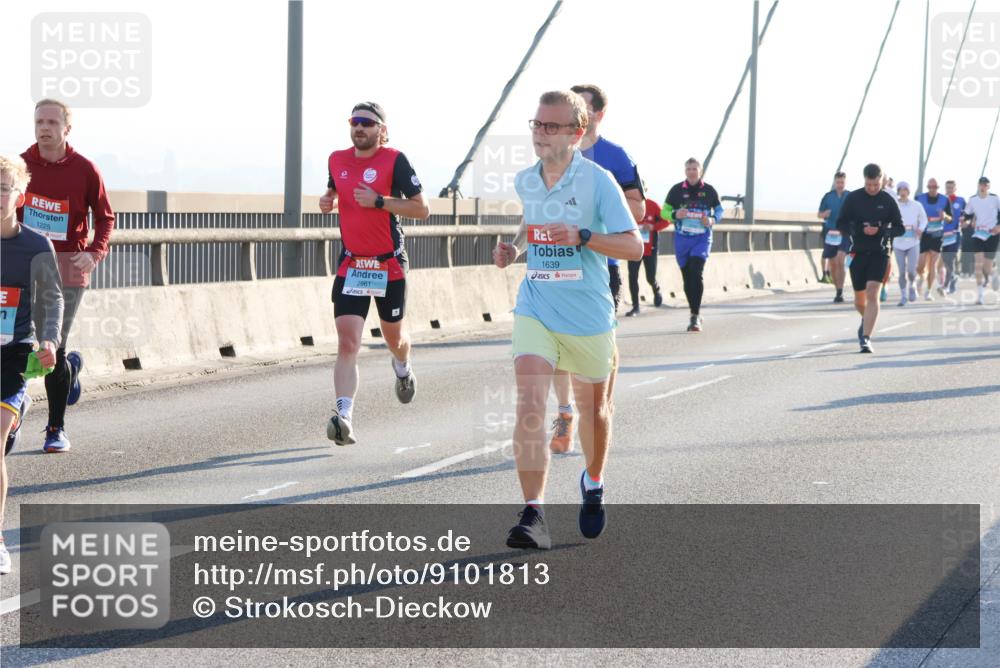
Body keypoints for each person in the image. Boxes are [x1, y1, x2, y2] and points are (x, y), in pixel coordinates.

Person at [492, 90, 641, 549]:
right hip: (536, 306)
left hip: (588, 316)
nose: (540, 133)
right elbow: (530, 222)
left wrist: (585, 236)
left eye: (551, 126)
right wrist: (514, 249)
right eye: (537, 124)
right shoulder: (526, 179)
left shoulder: (599, 182)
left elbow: (634, 246)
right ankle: (533, 514)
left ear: (577, 133)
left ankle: (593, 482)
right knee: (530, 404)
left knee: (595, 413)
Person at [319, 102, 429, 445]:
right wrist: (328, 199)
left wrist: (380, 201)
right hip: (353, 264)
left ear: (382, 130)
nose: (359, 128)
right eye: (354, 121)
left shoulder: (395, 160)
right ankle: (344, 418)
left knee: (393, 338)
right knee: (348, 341)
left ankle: (403, 366)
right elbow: (334, 187)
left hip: (388, 264)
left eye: (367, 123)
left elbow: (422, 208)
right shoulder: (337, 159)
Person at [547, 84, 645, 454]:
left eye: (582, 107)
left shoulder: (615, 157)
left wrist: (597, 212)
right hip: (558, 264)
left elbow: (638, 210)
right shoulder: (553, 153)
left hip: (602, 264)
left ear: (598, 115)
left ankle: (600, 401)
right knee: (555, 343)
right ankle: (564, 412)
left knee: (598, 345)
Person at [17, 99, 114, 453]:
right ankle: (70, 369)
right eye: (39, 122)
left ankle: (55, 429)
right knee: (19, 344)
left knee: (51, 345)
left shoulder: (85, 169)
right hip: (25, 268)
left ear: (66, 129)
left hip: (68, 271)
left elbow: (105, 217)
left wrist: (95, 251)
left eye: (52, 123)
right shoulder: (20, 166)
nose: (44, 128)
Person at [1, 154, 64, 574]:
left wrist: (49, 339)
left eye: (3, 189)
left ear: (19, 197)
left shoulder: (36, 246)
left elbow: (52, 298)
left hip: (14, 354)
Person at [836, 163, 904, 353]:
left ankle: (866, 338)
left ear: (881, 181)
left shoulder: (888, 200)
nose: (872, 188)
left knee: (873, 292)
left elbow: (900, 228)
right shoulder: (853, 198)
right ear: (864, 180)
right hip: (857, 252)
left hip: (880, 253)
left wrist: (881, 231)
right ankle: (865, 319)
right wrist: (859, 230)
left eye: (876, 185)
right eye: (869, 185)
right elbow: (841, 223)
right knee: (859, 301)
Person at [663, 159, 724, 332]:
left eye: (694, 169)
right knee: (687, 277)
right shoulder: (676, 190)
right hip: (682, 239)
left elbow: (719, 210)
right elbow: (664, 212)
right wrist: (675, 214)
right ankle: (694, 311)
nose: (691, 172)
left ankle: (695, 316)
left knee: (696, 272)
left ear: (700, 171)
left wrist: (712, 219)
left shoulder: (709, 190)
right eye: (688, 169)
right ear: (685, 171)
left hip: (702, 238)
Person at [625, 195, 668, 317]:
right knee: (632, 276)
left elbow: (666, 221)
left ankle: (656, 289)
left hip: (650, 249)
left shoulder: (652, 205)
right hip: (633, 247)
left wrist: (653, 227)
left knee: (650, 276)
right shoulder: (627, 205)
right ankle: (635, 306)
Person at [962, 176, 1000, 305]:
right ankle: (980, 296)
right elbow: (967, 215)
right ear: (978, 186)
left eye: (985, 185)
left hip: (992, 234)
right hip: (978, 234)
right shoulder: (972, 200)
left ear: (988, 186)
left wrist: (999, 226)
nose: (983, 187)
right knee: (978, 264)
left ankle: (994, 274)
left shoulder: (995, 199)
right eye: (981, 185)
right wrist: (965, 221)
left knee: (987, 267)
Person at [818, 172, 850, 303]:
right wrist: (824, 214)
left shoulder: (850, 196)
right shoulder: (828, 197)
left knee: (840, 260)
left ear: (845, 183)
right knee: (833, 264)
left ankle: (840, 291)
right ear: (834, 182)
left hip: (844, 233)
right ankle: (837, 290)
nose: (840, 185)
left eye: (842, 182)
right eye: (838, 182)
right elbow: (819, 214)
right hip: (830, 233)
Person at [914, 178, 949, 300]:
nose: (932, 189)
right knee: (920, 266)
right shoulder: (919, 198)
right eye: (930, 187)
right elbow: (913, 214)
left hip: (937, 235)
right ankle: (921, 277)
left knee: (932, 265)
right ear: (927, 187)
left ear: (938, 188)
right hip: (923, 235)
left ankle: (928, 291)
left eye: (935, 187)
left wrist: (945, 216)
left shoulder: (944, 200)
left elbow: (950, 218)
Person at [893, 182, 927, 306]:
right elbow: (888, 219)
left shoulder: (916, 205)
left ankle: (912, 285)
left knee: (912, 271)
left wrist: (920, 229)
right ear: (898, 191)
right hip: (898, 242)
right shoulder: (894, 205)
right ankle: (903, 296)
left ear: (908, 191)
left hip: (913, 241)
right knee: (902, 271)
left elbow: (924, 220)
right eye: (900, 189)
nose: (903, 192)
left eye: (905, 189)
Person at [942, 180, 966, 294]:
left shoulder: (961, 201)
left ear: (955, 188)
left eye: (951, 187)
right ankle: (953, 277)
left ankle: (948, 285)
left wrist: (965, 220)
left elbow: (967, 215)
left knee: (950, 258)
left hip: (955, 233)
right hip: (942, 235)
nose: (949, 190)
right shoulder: (941, 200)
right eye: (947, 188)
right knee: (945, 260)